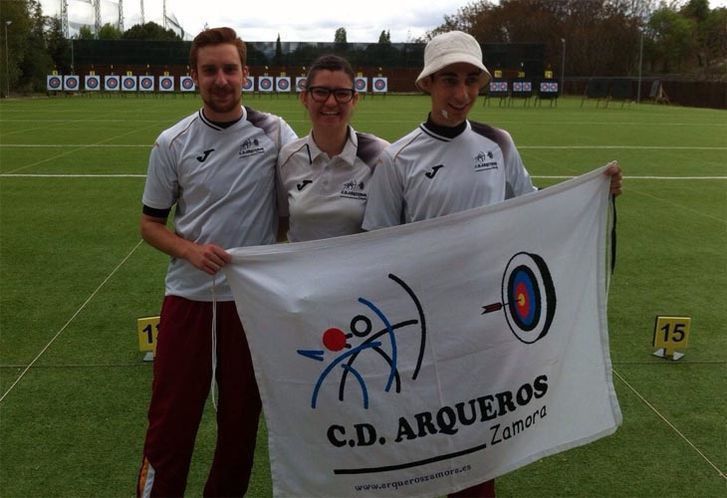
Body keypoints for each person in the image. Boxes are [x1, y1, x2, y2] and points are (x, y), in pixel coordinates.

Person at [362, 30, 623, 498]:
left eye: (470, 81)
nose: (460, 94)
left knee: (480, 436)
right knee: (425, 435)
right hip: (426, 324)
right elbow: (376, 248)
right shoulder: (397, 159)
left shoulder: (497, 144)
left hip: (491, 319)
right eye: (448, 80)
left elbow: (532, 208)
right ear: (428, 84)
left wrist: (593, 193)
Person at [136, 27, 297, 497]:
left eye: (230, 68)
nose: (221, 79)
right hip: (188, 298)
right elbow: (150, 224)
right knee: (170, 421)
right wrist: (190, 250)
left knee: (240, 423)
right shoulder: (173, 142)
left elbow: (295, 208)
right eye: (210, 70)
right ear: (194, 76)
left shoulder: (275, 132)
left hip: (249, 305)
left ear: (247, 74)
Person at [277, 54, 389, 242]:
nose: (330, 102)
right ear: (305, 97)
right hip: (302, 270)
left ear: (354, 99)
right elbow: (281, 224)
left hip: (359, 271)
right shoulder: (288, 157)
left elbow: (392, 230)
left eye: (342, 93)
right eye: (321, 92)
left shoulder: (380, 154)